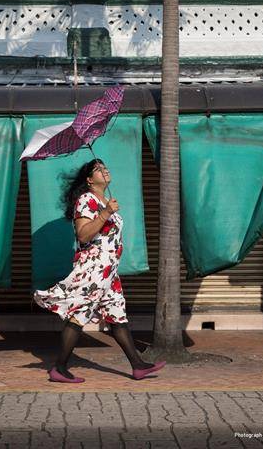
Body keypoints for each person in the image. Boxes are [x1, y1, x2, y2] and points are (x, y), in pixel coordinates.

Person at [34, 159, 166, 383]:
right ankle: (59, 368)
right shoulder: (86, 199)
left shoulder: (104, 200)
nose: (105, 170)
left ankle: (137, 365)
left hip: (108, 271)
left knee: (117, 314)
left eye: (106, 167)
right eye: (99, 169)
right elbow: (83, 235)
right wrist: (105, 213)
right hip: (94, 268)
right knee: (79, 315)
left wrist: (107, 210)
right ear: (89, 179)